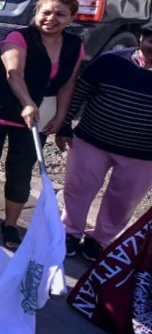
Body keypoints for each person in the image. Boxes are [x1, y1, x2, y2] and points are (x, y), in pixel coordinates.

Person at [0, 0, 85, 249]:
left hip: (39, 113)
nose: (51, 18)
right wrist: (27, 103)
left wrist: (62, 117)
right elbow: (14, 74)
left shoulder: (75, 45)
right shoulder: (18, 37)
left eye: (60, 14)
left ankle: (10, 224)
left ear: (71, 19)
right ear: (37, 13)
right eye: (46, 12)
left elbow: (68, 84)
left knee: (20, 168)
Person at [56, 25, 152, 260]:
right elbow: (80, 93)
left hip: (143, 155)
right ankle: (69, 231)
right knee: (78, 189)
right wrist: (65, 125)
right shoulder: (111, 61)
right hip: (92, 141)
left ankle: (98, 239)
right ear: (142, 38)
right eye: (151, 41)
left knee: (123, 200)